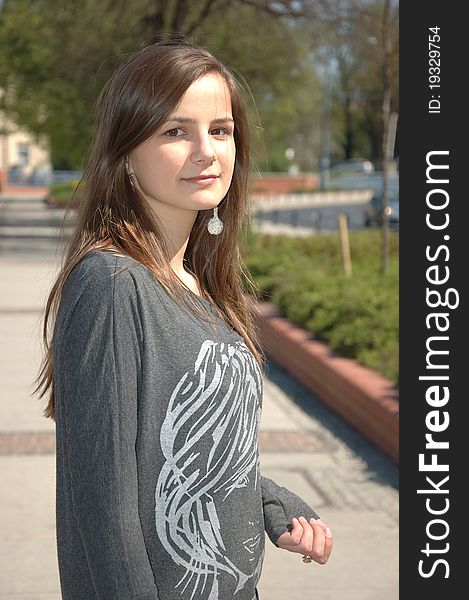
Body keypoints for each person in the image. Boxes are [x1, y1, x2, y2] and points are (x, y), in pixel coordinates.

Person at [34, 38, 333, 600]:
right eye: (175, 132)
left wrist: (267, 501)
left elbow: (180, 463)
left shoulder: (208, 287)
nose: (207, 151)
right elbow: (105, 506)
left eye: (220, 130)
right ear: (126, 153)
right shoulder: (113, 285)